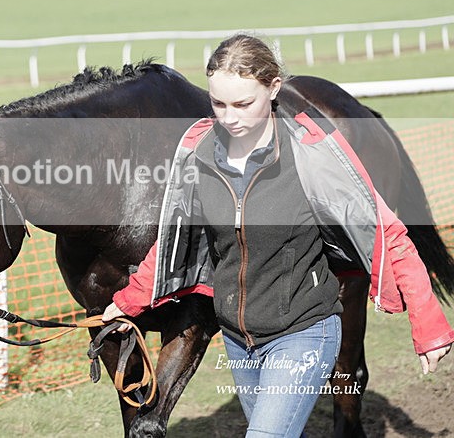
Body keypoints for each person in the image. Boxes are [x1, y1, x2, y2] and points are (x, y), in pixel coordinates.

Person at [102, 33, 454, 437]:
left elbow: (387, 232)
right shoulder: (198, 153)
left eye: (242, 104)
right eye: (218, 103)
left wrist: (428, 324)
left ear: (273, 89)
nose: (229, 117)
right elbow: (174, 238)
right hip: (239, 341)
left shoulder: (312, 154)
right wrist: (127, 301)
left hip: (306, 332)